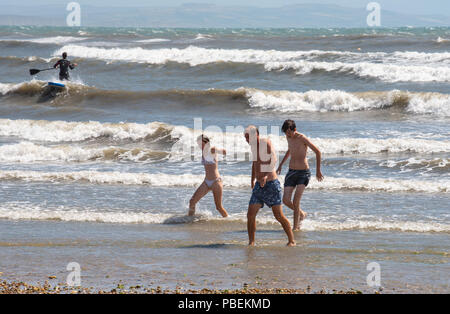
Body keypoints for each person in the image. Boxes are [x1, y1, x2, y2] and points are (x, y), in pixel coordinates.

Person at [244, 125, 295, 246]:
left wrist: (266, 175)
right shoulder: (253, 146)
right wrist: (252, 180)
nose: (247, 140)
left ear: (256, 134)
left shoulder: (265, 142)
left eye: (248, 137)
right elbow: (255, 163)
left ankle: (291, 240)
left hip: (271, 184)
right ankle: (251, 242)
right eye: (245, 137)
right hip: (258, 185)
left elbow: (274, 159)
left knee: (278, 216)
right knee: (250, 214)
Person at [277, 120, 324, 231]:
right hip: (291, 171)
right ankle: (301, 214)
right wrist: (280, 165)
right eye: (286, 133)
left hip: (303, 173)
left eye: (289, 133)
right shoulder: (288, 137)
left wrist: (318, 170)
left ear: (295, 130)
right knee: (286, 200)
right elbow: (290, 150)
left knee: (296, 201)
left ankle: (295, 228)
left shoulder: (302, 138)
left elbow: (318, 152)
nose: (287, 135)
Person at [188, 135, 228, 218]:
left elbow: (224, 152)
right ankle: (189, 220)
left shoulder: (212, 150)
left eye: (201, 144)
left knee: (218, 207)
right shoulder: (203, 153)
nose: (200, 146)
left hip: (216, 182)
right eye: (199, 144)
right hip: (206, 182)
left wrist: (218, 150)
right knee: (192, 202)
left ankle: (228, 220)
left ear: (207, 143)